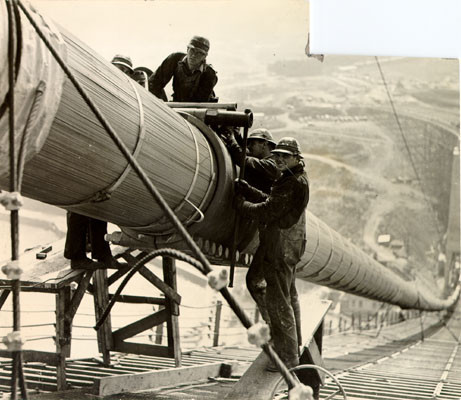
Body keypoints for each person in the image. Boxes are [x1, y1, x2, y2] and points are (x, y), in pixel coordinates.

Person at [234, 137, 309, 371]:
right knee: (281, 293)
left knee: (279, 301)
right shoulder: (291, 178)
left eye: (285, 156)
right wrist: (250, 191)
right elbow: (273, 201)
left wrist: (242, 205)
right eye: (277, 156)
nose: (279, 160)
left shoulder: (293, 182)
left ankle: (287, 357)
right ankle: (289, 345)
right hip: (286, 244)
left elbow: (269, 211)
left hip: (280, 247)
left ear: (296, 158)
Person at [65, 55, 135, 270]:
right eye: (117, 69)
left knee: (100, 205)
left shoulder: (118, 94)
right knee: (81, 203)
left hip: (101, 153)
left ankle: (102, 253)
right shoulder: (97, 88)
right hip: (86, 151)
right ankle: (76, 256)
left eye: (124, 71)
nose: (120, 74)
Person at [148, 35, 218, 102]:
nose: (194, 55)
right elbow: (154, 83)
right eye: (192, 50)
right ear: (187, 49)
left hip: (198, 108)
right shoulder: (174, 59)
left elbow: (200, 102)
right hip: (178, 104)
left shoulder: (209, 73)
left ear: (205, 56)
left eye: (199, 53)